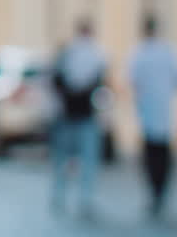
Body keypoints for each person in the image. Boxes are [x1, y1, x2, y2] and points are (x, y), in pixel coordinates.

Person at [50, 18, 108, 219]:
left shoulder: (69, 53)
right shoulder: (92, 53)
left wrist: (69, 94)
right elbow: (99, 81)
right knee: (86, 159)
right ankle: (83, 198)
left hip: (69, 114)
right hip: (83, 114)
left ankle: (61, 195)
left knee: (64, 159)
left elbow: (56, 81)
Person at [128, 15, 177, 219]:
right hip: (164, 114)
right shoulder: (168, 52)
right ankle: (161, 192)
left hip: (148, 114)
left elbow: (132, 81)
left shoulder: (139, 53)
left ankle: (154, 192)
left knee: (151, 157)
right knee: (164, 157)